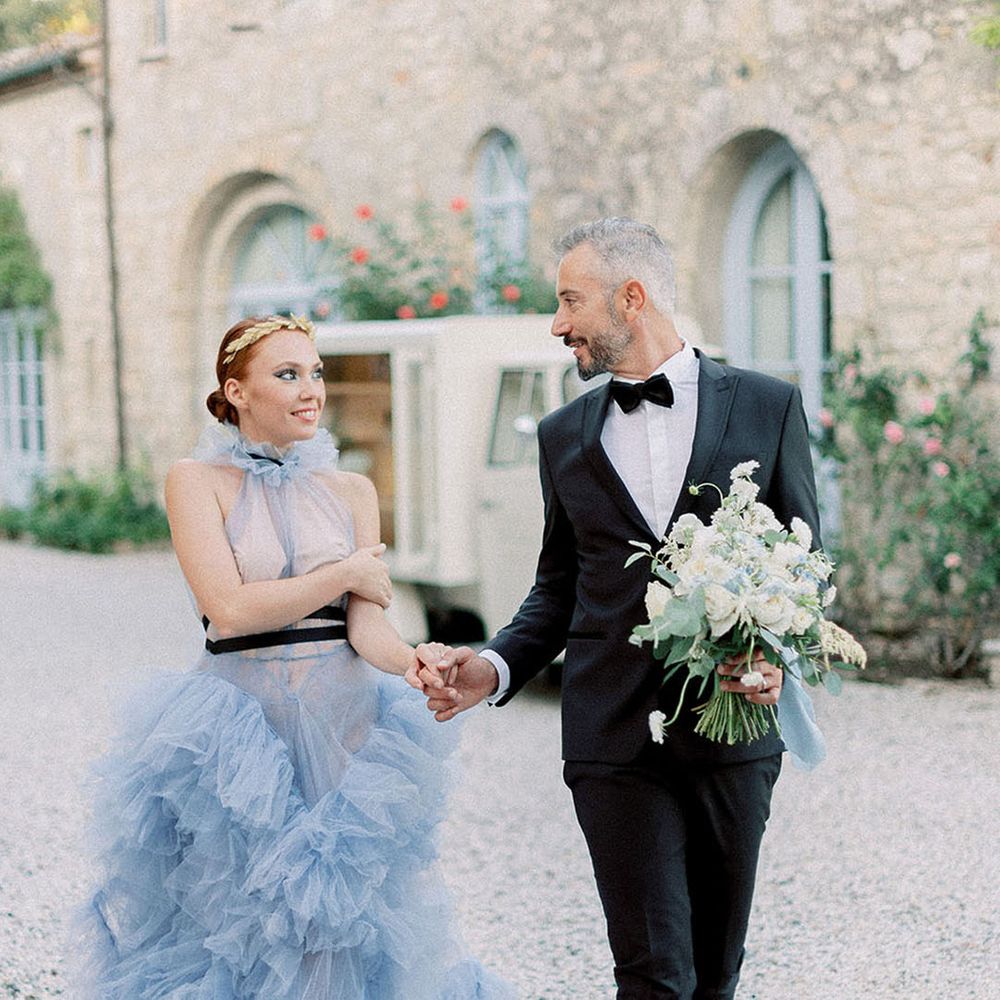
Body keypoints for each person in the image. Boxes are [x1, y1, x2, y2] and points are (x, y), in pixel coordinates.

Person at [419, 219, 822, 1000]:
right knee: (651, 975)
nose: (558, 322)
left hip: (729, 736)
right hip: (611, 741)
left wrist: (775, 656)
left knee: (713, 975)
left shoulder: (769, 407)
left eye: (571, 300)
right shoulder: (561, 435)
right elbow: (558, 586)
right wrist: (492, 667)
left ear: (631, 299)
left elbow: (803, 569)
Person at [77, 315, 513, 999]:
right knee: (238, 921)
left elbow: (366, 626)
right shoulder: (196, 480)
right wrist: (341, 575)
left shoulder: (351, 492)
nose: (311, 390)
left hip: (346, 728)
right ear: (237, 391)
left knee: (339, 921)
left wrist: (412, 661)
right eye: (287, 375)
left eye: (314, 372)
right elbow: (228, 608)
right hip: (239, 740)